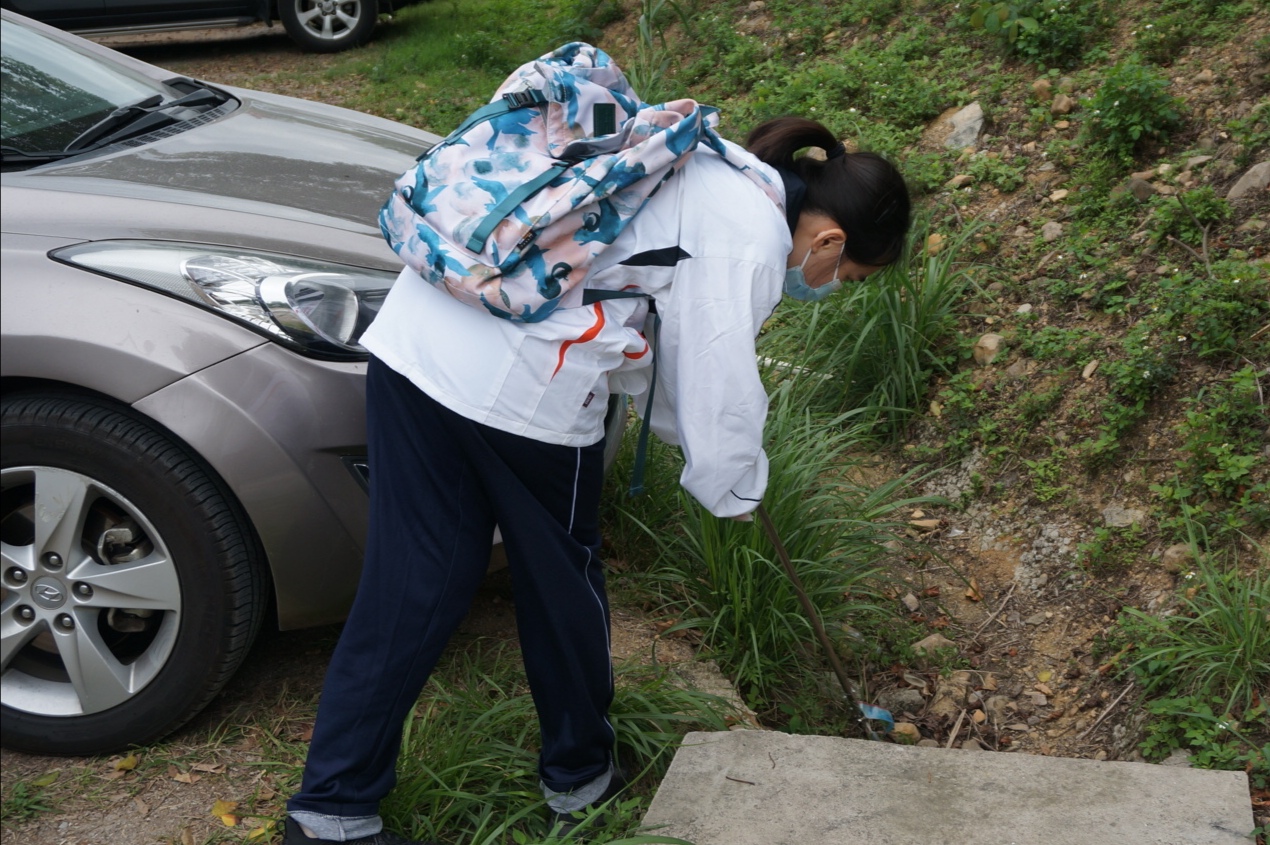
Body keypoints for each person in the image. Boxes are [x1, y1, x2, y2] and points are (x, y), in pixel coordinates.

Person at [280, 115, 911, 845]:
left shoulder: (707, 165)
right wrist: (734, 485)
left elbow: (669, 361)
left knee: (414, 580)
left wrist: (719, 464)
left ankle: (330, 811)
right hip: (524, 388)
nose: (831, 286)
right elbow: (716, 382)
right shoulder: (751, 235)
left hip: (419, 339)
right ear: (829, 240)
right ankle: (580, 778)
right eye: (848, 277)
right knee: (562, 588)